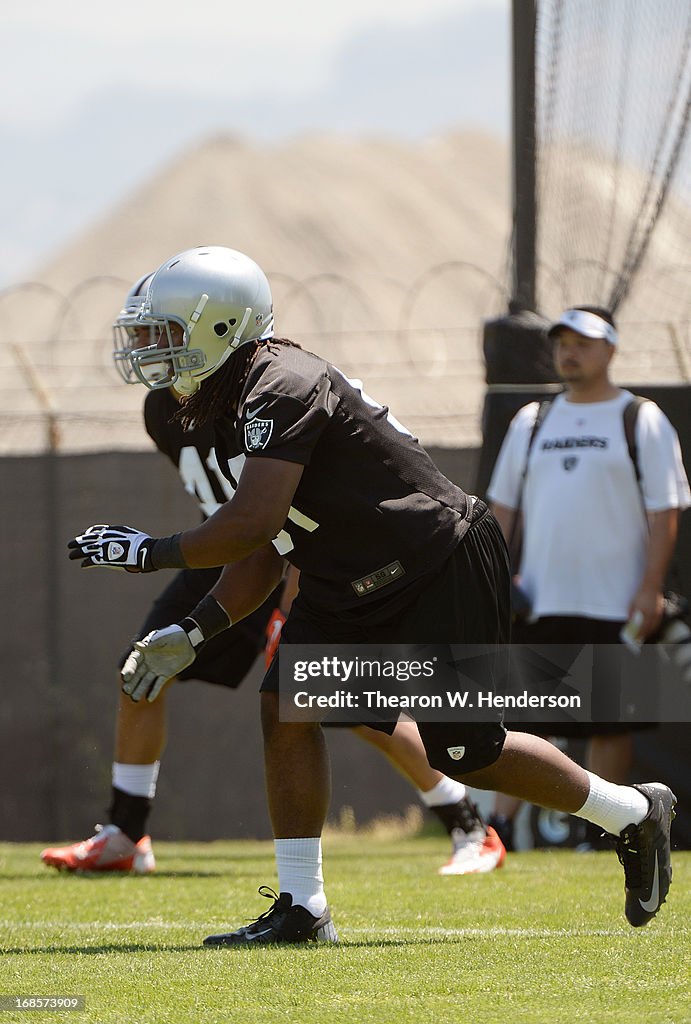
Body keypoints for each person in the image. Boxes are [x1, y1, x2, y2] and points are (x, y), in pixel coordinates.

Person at [67, 247, 677, 943]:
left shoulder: (281, 381)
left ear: (219, 327)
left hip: (434, 559)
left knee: (466, 750)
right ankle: (303, 906)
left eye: (166, 333)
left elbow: (253, 522)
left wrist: (148, 552)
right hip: (342, 575)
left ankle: (629, 811)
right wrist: (196, 631)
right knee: (284, 708)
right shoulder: (227, 399)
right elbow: (265, 549)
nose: (153, 351)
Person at [42, 274, 505, 877]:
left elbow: (277, 516)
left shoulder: (266, 388)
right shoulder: (164, 410)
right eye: (147, 333)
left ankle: (466, 821)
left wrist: (287, 601)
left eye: (164, 332)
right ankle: (126, 832)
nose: (150, 347)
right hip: (224, 549)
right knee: (144, 668)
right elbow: (231, 514)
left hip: (290, 552)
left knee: (346, 703)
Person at [486, 305, 690, 851]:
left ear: (611, 349)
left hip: (615, 601)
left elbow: (664, 511)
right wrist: (495, 580)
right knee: (527, 720)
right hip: (539, 600)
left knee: (609, 723)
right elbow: (501, 512)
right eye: (562, 342)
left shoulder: (640, 417)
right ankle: (498, 832)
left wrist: (649, 588)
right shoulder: (531, 421)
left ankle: (613, 832)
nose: (570, 351)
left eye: (584, 342)